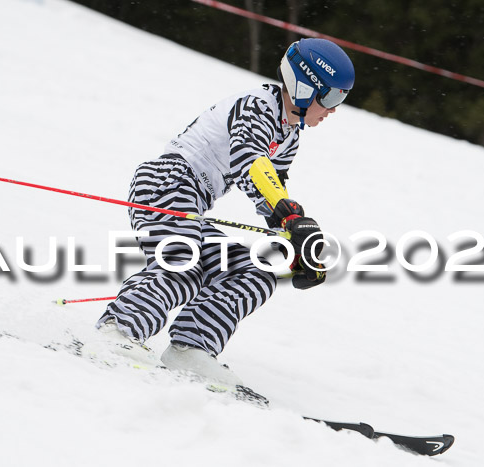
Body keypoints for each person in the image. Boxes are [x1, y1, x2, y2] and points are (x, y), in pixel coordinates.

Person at [87, 38, 355, 387]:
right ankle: (118, 330)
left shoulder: (289, 135)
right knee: (185, 260)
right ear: (305, 86)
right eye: (331, 97)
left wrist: (294, 245)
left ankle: (190, 348)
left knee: (252, 271)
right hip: (168, 181)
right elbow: (251, 163)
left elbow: (269, 193)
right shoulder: (257, 107)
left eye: (342, 100)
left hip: (195, 201)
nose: (334, 109)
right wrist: (290, 215)